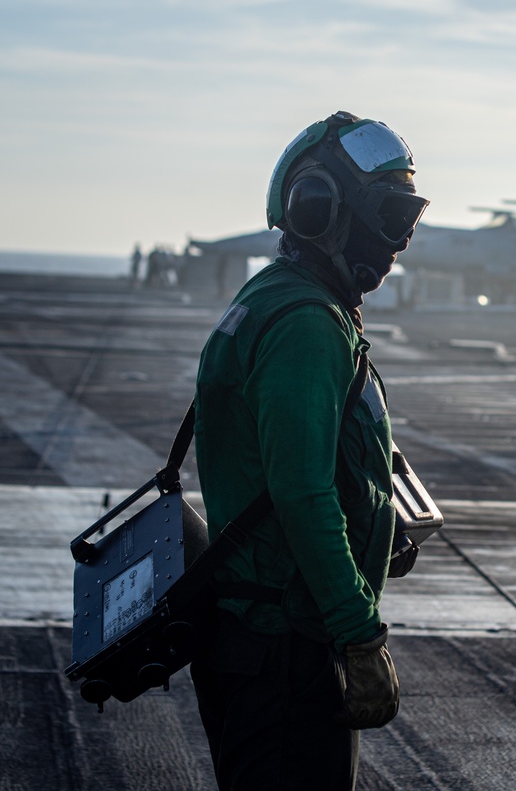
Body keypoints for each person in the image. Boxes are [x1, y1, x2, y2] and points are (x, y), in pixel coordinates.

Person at [191, 111, 429, 790]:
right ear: (319, 209)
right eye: (386, 219)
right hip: (286, 646)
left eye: (405, 222)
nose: (396, 245)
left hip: (266, 635)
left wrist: (382, 525)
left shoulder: (280, 299)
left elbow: (320, 458)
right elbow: (300, 492)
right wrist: (360, 636)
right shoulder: (305, 325)